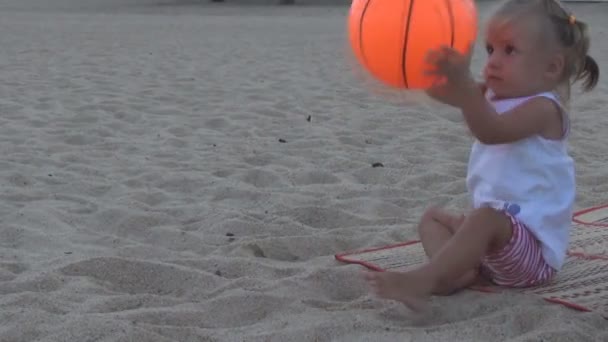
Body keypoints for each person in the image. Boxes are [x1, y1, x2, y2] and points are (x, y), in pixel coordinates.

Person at [364, 0, 600, 311]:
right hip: (495, 241)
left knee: (484, 218)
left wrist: (466, 91)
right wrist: (421, 67)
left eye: (509, 50)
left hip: (531, 255)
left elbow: (491, 130)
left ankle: (425, 280)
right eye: (490, 50)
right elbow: (445, 91)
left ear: (551, 68)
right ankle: (455, 274)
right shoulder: (491, 95)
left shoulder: (545, 109)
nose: (493, 62)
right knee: (433, 218)